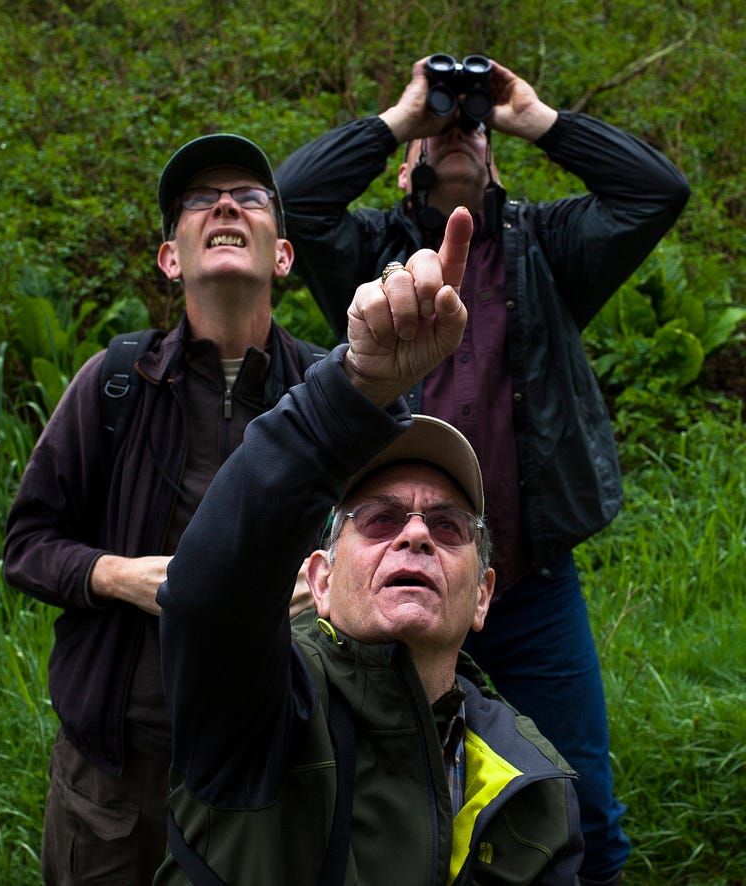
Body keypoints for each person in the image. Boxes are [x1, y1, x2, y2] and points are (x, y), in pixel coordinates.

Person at [274, 55, 690, 885]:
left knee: (588, 812)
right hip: (398, 567)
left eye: (474, 128)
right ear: (405, 169)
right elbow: (296, 197)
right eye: (443, 128)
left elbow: (656, 193)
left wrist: (531, 118)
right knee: (378, 813)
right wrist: (406, 117)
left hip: (528, 581)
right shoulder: (370, 253)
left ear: (499, 158)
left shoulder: (549, 245)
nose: (459, 130)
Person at [155, 206, 585, 885]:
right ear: (319, 581)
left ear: (483, 595)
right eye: (380, 521)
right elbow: (210, 593)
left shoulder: (538, 786)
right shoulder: (257, 710)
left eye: (447, 527)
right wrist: (359, 386)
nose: (415, 533)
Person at [3, 133, 326, 884]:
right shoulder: (114, 382)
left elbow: (383, 537)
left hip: (274, 771)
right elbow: (27, 543)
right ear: (170, 258)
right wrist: (118, 575)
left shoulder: (328, 393)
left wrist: (328, 588)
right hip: (115, 781)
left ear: (281, 255)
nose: (224, 205)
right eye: (199, 200)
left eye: (250, 197)